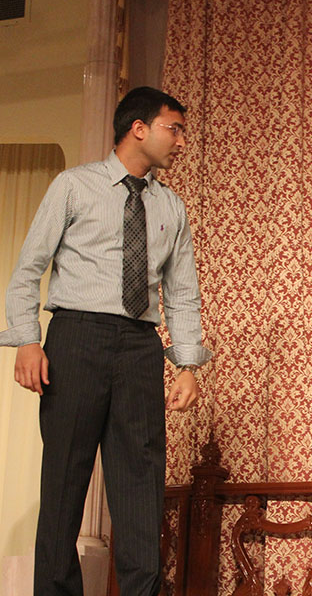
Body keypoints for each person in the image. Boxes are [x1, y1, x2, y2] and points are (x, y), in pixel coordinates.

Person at [0, 86, 212, 596]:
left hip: (140, 346)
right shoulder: (74, 186)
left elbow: (182, 292)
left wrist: (186, 365)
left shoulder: (171, 206)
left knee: (141, 484)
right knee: (65, 479)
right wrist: (28, 341)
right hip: (77, 337)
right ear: (139, 128)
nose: (181, 141)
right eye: (174, 129)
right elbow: (28, 269)